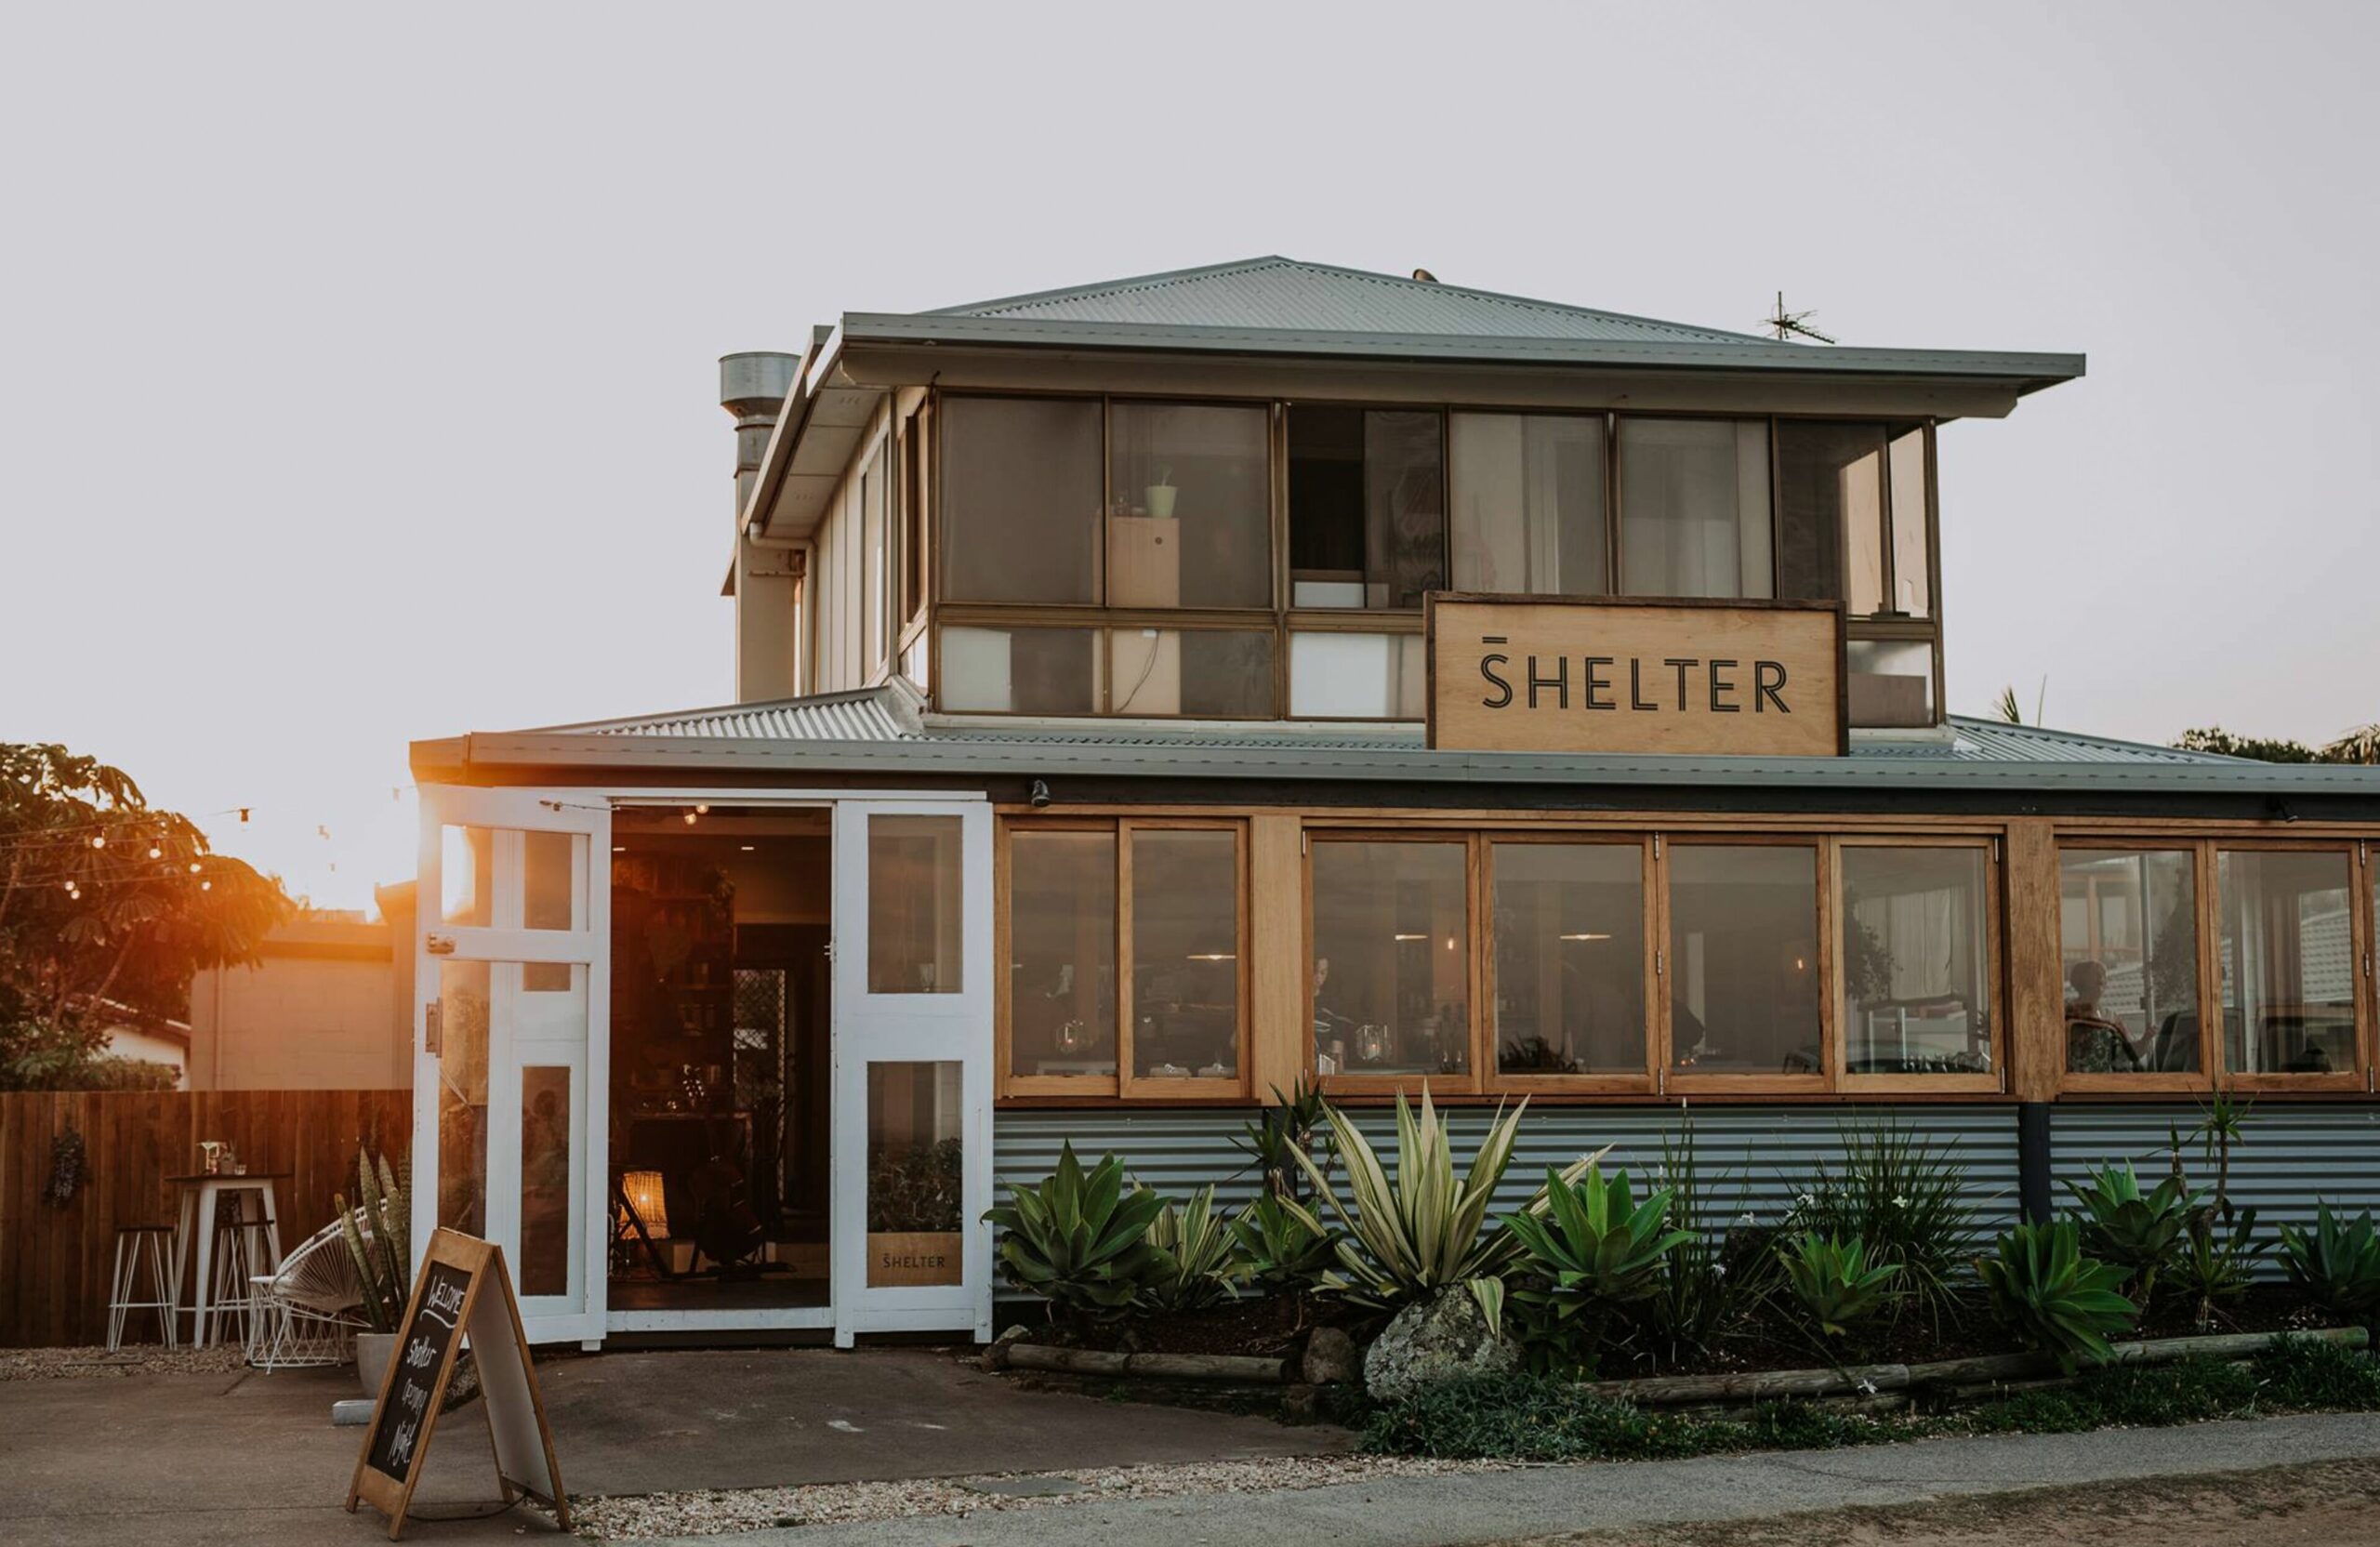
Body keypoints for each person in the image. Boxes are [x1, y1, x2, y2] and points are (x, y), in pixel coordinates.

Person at [2065, 959, 2140, 1072]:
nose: (2101, 978)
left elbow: (2131, 1052)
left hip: (2105, 1083)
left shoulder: (2111, 1017)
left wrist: (2146, 1039)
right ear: (2082, 980)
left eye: (2104, 975)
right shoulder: (2067, 1013)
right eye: (2096, 973)